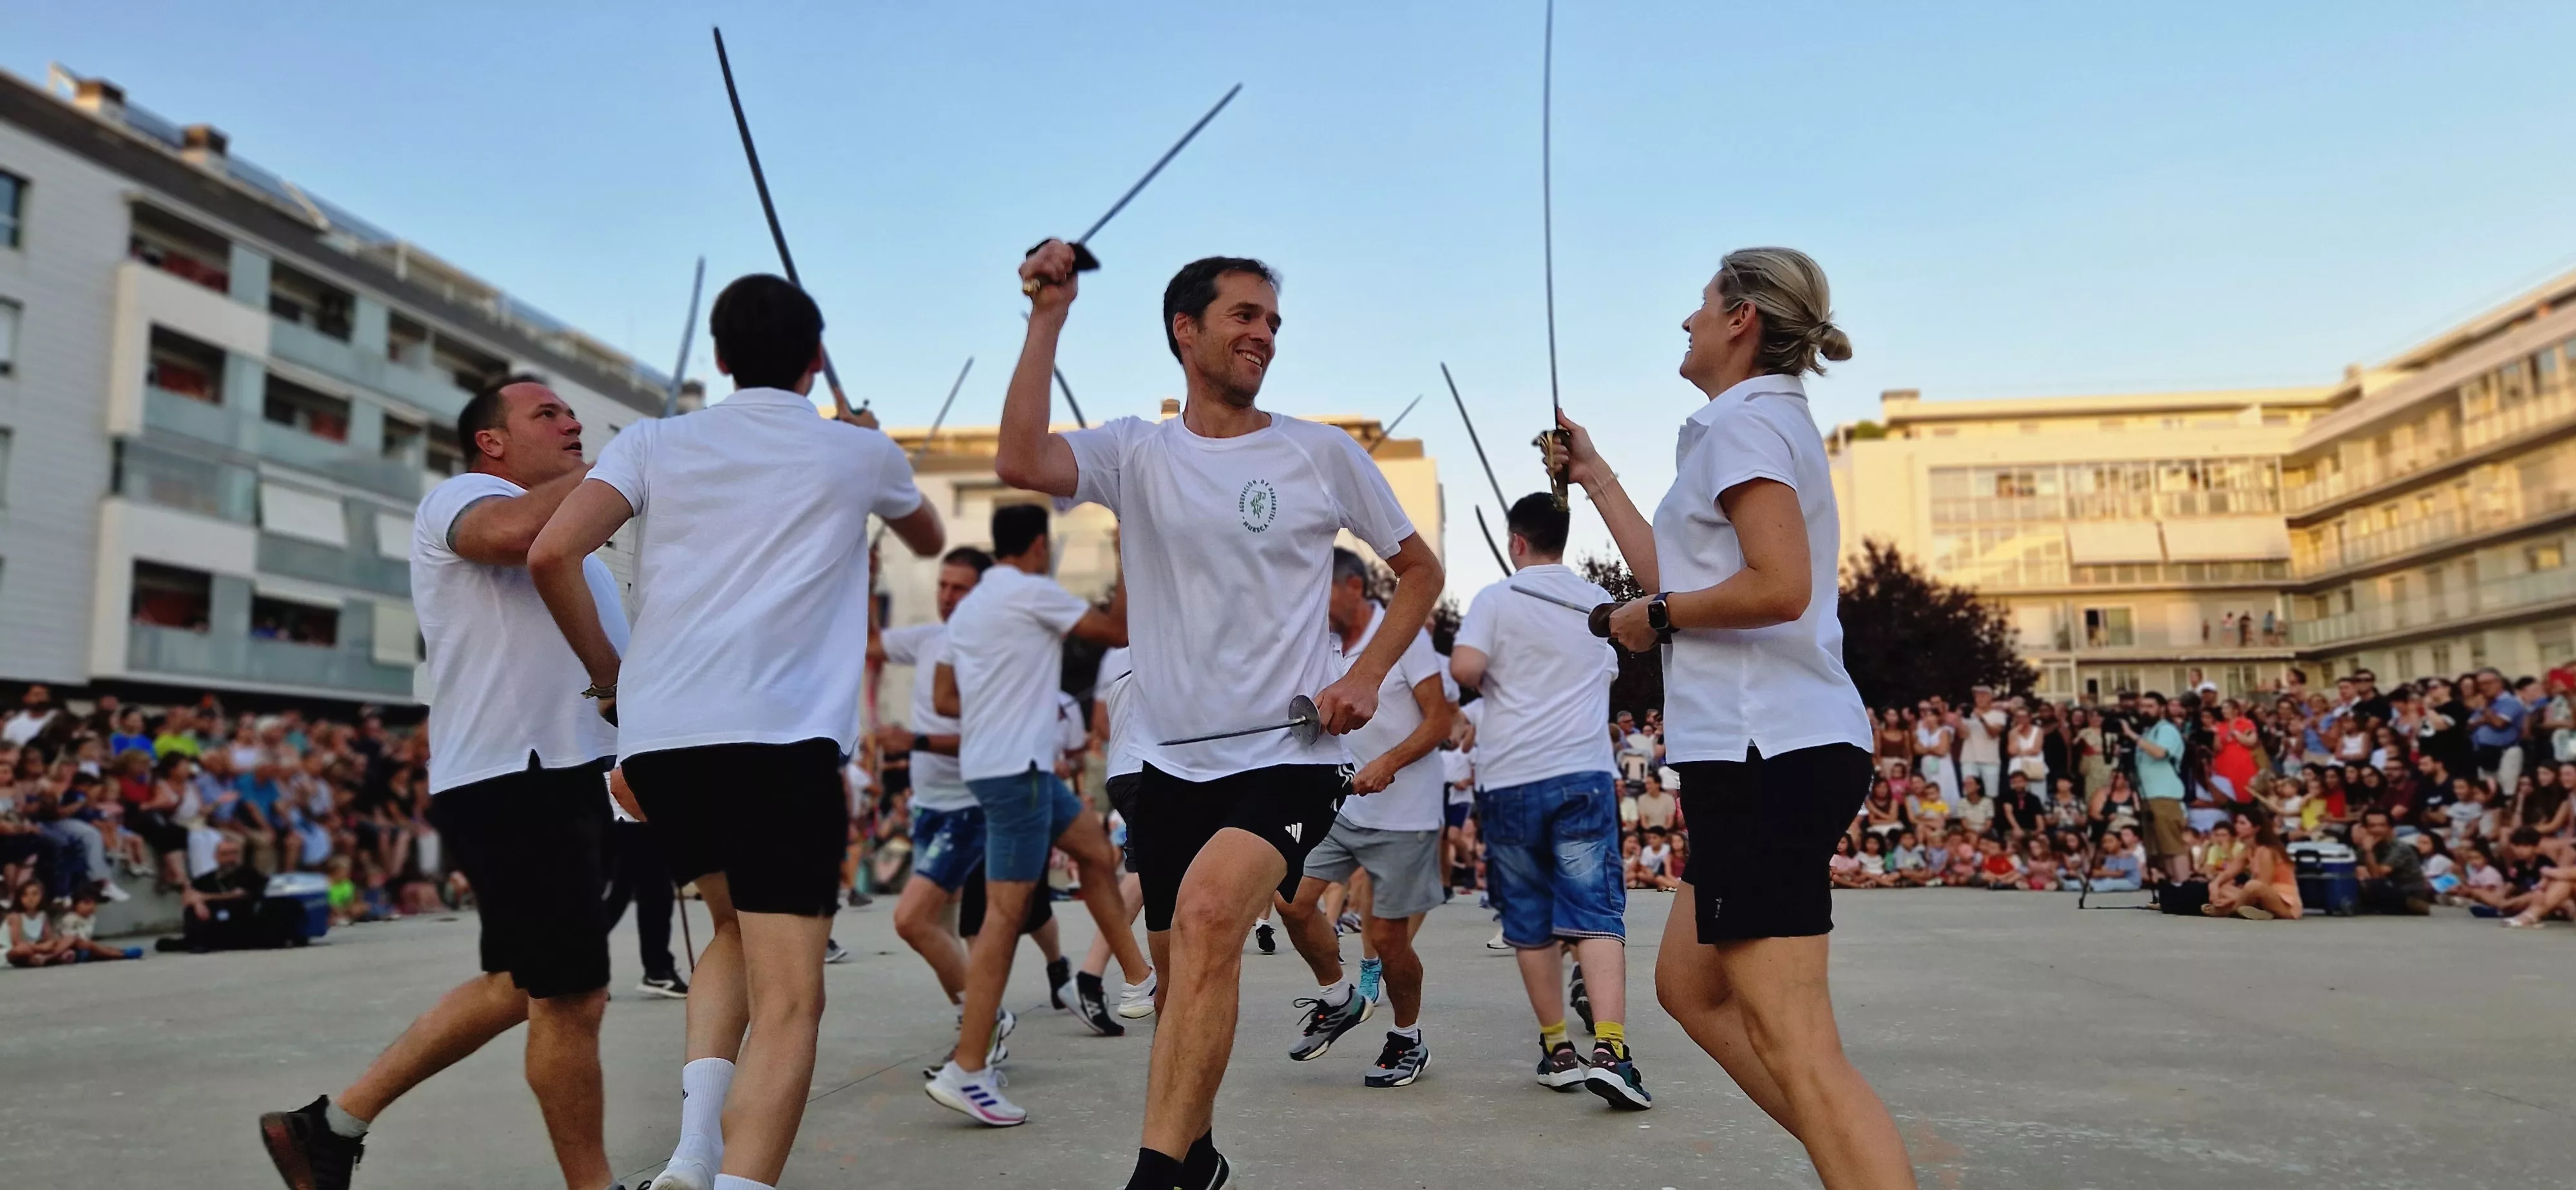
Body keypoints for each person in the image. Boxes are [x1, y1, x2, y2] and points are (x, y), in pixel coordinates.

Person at [1001, 243, 1440, 1189]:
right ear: (1184, 329)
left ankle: (1155, 1178)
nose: (1264, 336)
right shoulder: (1134, 451)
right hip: (1163, 760)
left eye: (1273, 321)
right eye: (1245, 316)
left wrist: (1365, 674)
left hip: (1288, 753)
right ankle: (1196, 1157)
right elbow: (1019, 458)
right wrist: (1047, 317)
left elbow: (1422, 572)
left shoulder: (1323, 453)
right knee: (1183, 980)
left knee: (1207, 921)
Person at [528, 275, 946, 1190]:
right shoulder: (855, 452)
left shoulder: (651, 441)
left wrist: (611, 678)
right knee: (793, 998)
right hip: (777, 744)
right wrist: (871, 444)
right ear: (812, 360)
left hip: (663, 744)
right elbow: (929, 537)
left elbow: (552, 551)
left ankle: (692, 1155)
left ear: (718, 358)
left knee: (729, 928)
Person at [1555, 247, 1914, 1186]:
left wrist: (1656, 620)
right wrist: (1595, 478)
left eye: (1700, 304)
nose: (1687, 321)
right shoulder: (1754, 425)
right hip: (1764, 752)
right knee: (1688, 988)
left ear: (1741, 317)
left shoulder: (1743, 426)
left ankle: (1865, 1159)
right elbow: (1687, 573)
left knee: (1798, 1043)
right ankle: (1860, 1158)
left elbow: (1781, 586)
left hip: (1770, 753)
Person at [259, 375, 628, 1190]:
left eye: (572, 414)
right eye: (548, 415)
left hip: (568, 779)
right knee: (572, 998)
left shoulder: (580, 545)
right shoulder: (466, 495)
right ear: (492, 441)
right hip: (517, 777)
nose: (570, 423)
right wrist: (626, 463)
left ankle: (328, 1127)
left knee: (520, 984)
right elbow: (509, 533)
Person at [924, 503, 1150, 1124]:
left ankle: (1137, 975)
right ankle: (967, 1068)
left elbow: (945, 696)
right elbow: (1120, 628)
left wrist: (1000, 689)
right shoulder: (1029, 590)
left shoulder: (972, 608)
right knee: (1003, 917)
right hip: (1016, 772)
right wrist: (1125, 544)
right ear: (1037, 546)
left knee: (1094, 850)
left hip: (1006, 768)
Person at [1451, 493, 1643, 1106]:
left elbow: (1464, 668)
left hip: (1510, 779)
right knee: (1594, 911)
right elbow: (1609, 670)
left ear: (1516, 543)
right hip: (1581, 774)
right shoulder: (1595, 605)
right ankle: (1611, 1049)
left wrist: (1495, 672)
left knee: (1529, 922)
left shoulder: (1495, 599)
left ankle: (1558, 1048)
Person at [1275, 547, 1455, 1088]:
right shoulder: (1317, 644)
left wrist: (1390, 762)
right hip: (1341, 807)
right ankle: (1340, 998)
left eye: (1318, 586)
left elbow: (1441, 720)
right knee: (1291, 901)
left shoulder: (1402, 637)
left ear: (1353, 588)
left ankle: (1408, 1039)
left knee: (1386, 938)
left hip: (1405, 815)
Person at [874, 547, 1016, 1031]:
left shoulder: (994, 655)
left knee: (911, 921)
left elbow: (991, 737)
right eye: (943, 585)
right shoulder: (931, 639)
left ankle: (984, 1023)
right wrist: (868, 579)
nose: (948, 597)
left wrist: (914, 740)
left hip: (969, 810)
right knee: (945, 932)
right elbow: (870, 643)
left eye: (961, 588)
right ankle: (973, 1030)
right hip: (928, 808)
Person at [601, 768, 686, 999]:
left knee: (649, 889)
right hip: (622, 804)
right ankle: (577, 966)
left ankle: (658, 968)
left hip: (634, 803)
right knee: (626, 892)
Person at [2127, 692, 2192, 885]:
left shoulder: (2166, 730)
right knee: (2160, 848)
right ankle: (2174, 886)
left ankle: (2184, 886)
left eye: (2150, 706)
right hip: (2148, 794)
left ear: (2161, 708)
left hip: (2165, 794)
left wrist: (2132, 736)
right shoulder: (2148, 732)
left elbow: (2160, 753)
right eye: (2143, 706)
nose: (2145, 710)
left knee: (2173, 844)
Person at [2204, 803, 2302, 920]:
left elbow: (2263, 885)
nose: (2237, 827)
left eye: (2242, 823)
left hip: (2282, 900)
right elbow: (2228, 874)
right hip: (2256, 897)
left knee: (2253, 885)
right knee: (2224, 886)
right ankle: (2259, 912)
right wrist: (2214, 885)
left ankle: (2228, 910)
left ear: (2256, 828)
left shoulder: (2268, 851)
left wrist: (2234, 899)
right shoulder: (2247, 850)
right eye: (2237, 823)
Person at [2350, 809, 2433, 915]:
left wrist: (2369, 852)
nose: (2377, 830)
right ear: (2365, 829)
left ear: (2390, 828)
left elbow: (2378, 877)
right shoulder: (2366, 847)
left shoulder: (2400, 848)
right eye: (2372, 826)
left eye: (2382, 825)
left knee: (2375, 885)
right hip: (2388, 893)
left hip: (2411, 898)